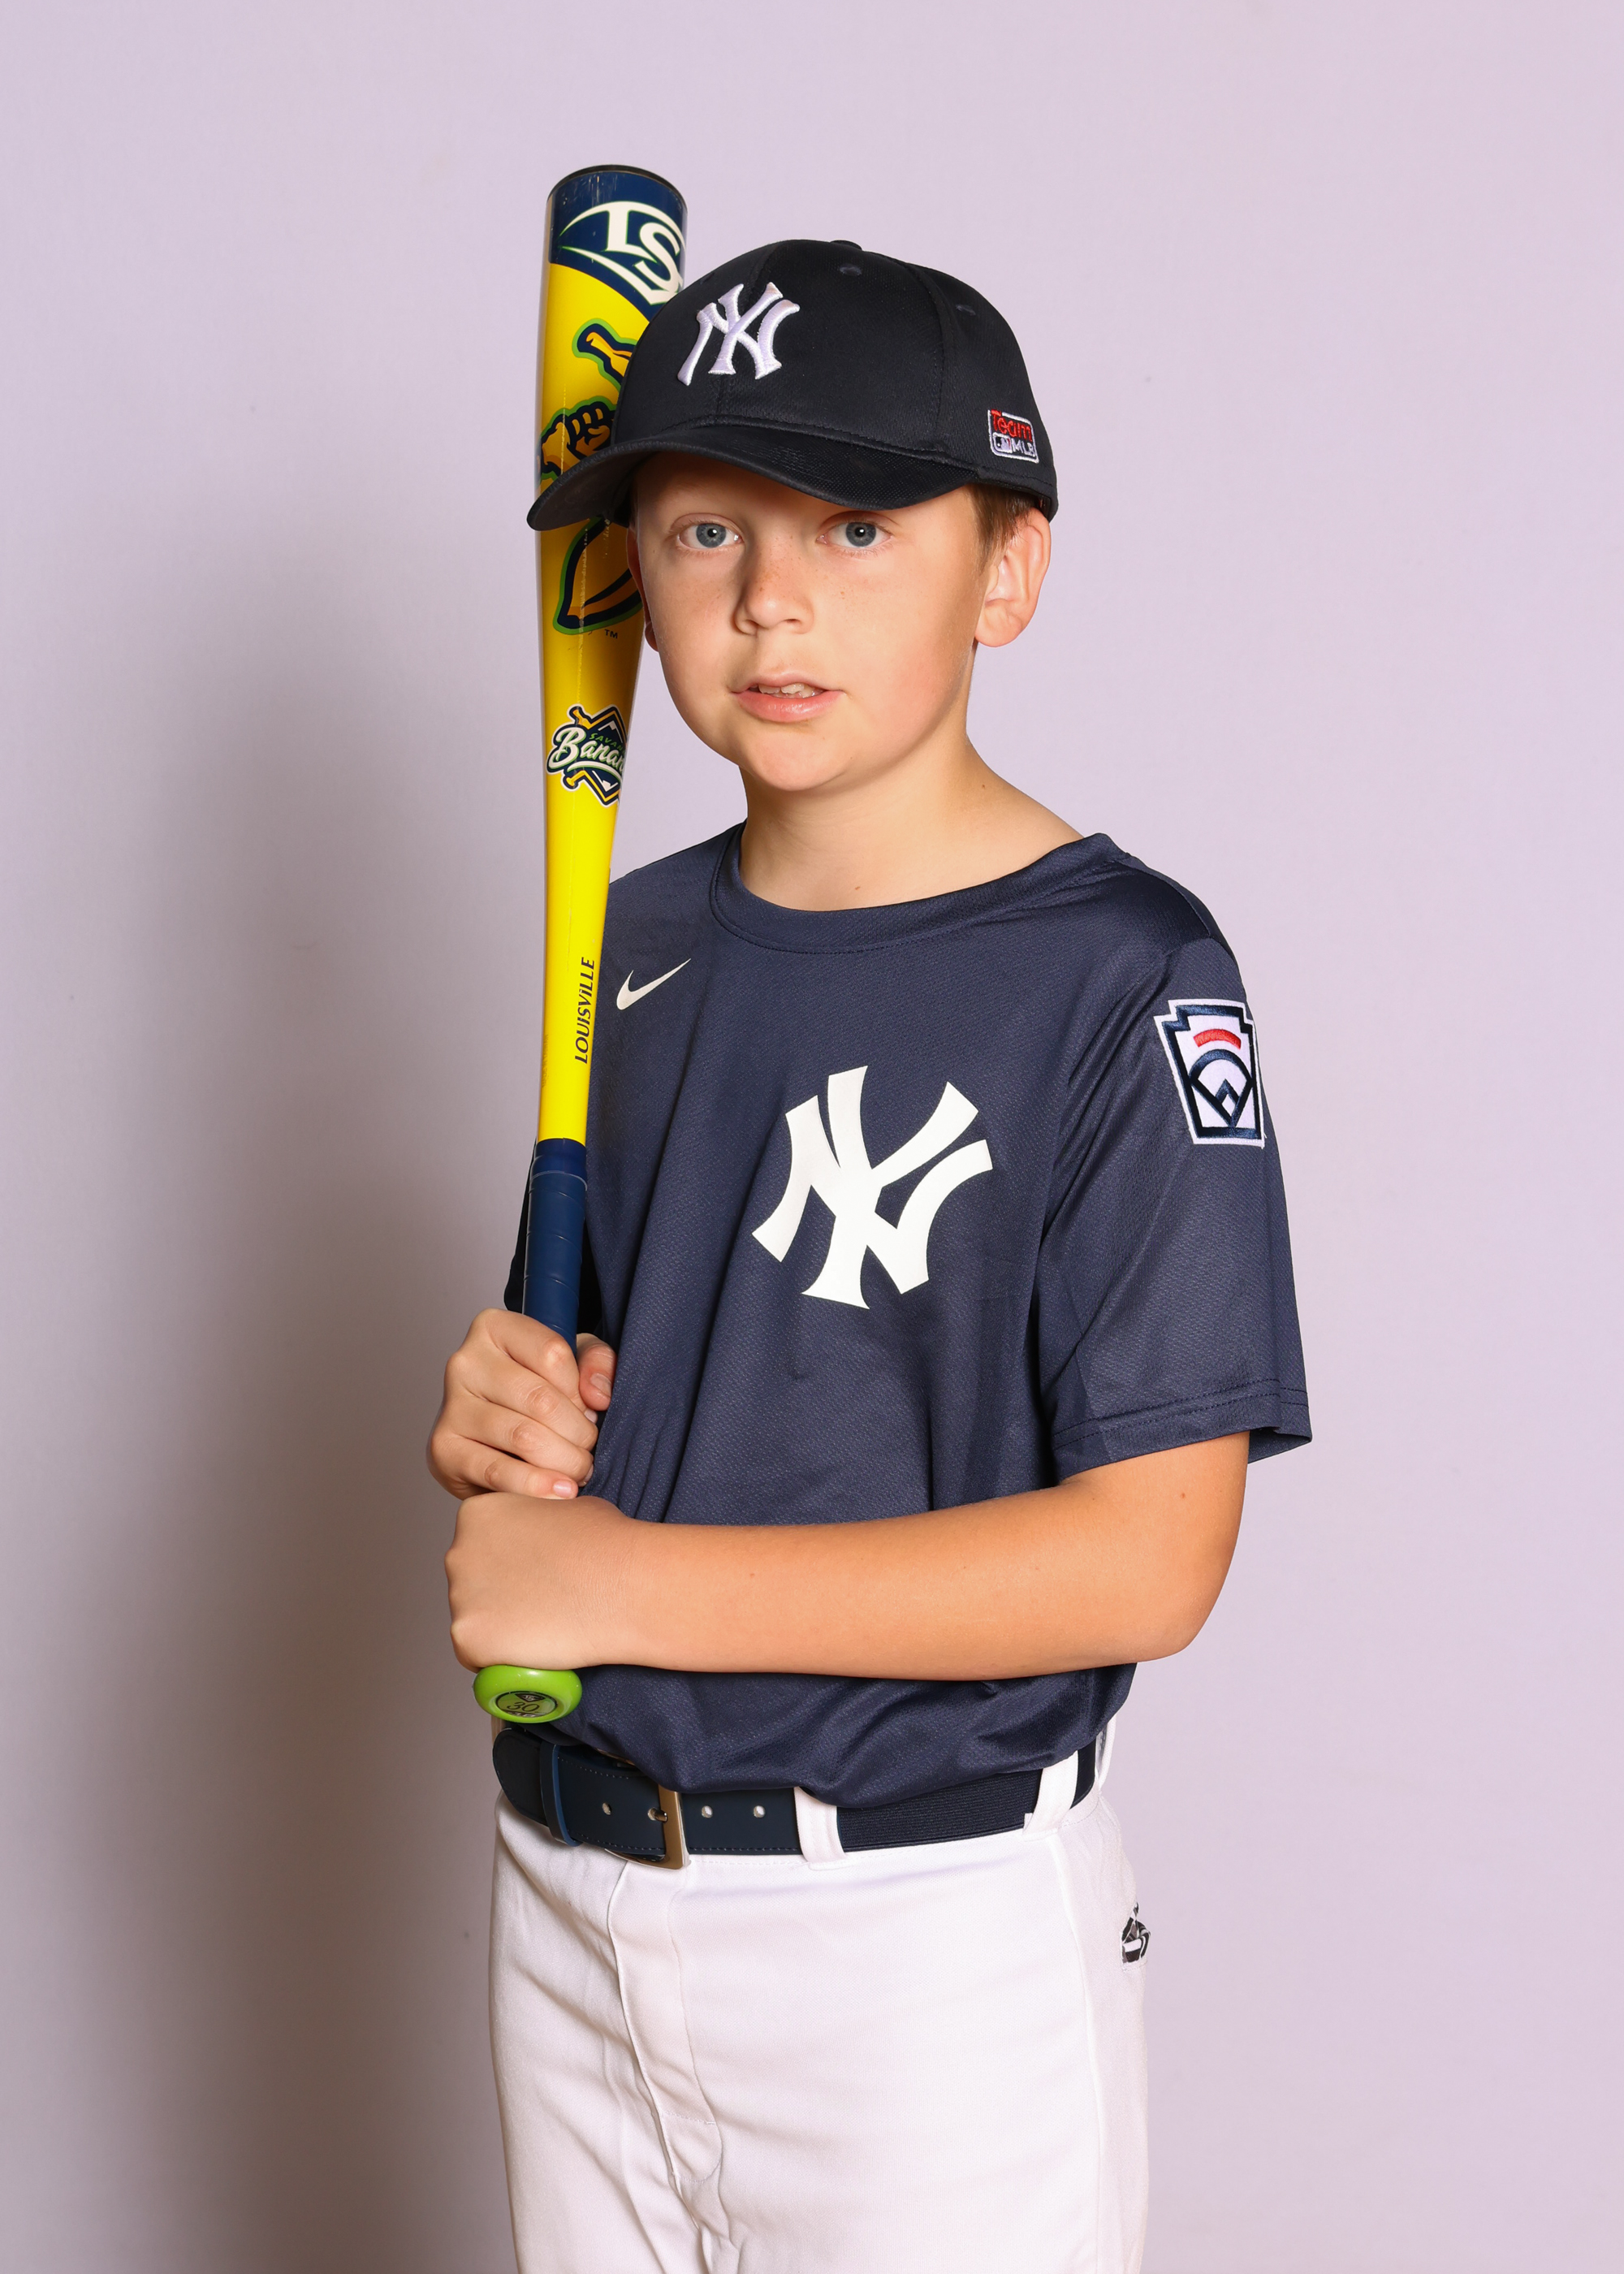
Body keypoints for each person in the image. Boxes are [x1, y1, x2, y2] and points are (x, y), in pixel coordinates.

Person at [430, 236, 1310, 2274]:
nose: (770, 597)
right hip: (570, 1894)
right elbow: (647, 1404)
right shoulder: (631, 940)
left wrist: (622, 1579)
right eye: (703, 528)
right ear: (629, 578)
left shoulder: (1122, 972)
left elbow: (1149, 1557)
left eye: (856, 523)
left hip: (915, 1949)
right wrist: (502, 1414)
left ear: (1007, 568)